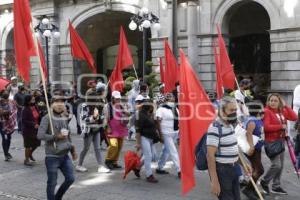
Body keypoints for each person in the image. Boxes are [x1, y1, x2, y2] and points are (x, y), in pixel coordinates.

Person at [207, 96, 251, 200]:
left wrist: (243, 164)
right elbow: (210, 156)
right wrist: (214, 181)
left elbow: (233, 149)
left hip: (234, 168)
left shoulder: (231, 125)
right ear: (222, 110)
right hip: (222, 170)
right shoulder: (215, 127)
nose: (234, 112)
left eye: (235, 110)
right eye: (231, 110)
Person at [37, 93, 77, 200]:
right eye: (57, 102)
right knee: (52, 183)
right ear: (52, 104)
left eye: (62, 102)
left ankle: (57, 197)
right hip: (52, 156)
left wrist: (72, 150)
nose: (60, 104)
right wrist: (55, 137)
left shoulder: (63, 117)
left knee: (70, 179)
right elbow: (40, 135)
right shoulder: (47, 118)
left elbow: (68, 134)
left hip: (65, 155)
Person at [260, 93, 297, 195]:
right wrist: (281, 126)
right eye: (271, 100)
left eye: (275, 100)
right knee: (276, 165)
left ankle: (276, 186)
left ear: (279, 102)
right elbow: (266, 127)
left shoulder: (282, 111)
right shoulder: (267, 112)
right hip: (271, 142)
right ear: (268, 101)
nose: (272, 102)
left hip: (280, 141)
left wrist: (285, 106)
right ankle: (264, 181)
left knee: (281, 166)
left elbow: (294, 117)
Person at [76, 88, 110, 173]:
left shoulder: (97, 105)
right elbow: (84, 119)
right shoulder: (84, 106)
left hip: (97, 129)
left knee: (97, 148)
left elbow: (100, 116)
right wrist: (94, 117)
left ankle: (101, 166)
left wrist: (102, 118)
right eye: (94, 97)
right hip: (88, 130)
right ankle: (79, 165)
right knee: (86, 148)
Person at [242, 102, 265, 199]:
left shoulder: (256, 119)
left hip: (257, 148)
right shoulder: (252, 121)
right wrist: (251, 147)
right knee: (259, 170)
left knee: (255, 169)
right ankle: (248, 189)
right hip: (253, 148)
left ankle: (252, 189)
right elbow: (248, 134)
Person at [155, 93, 181, 178]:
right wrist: (160, 134)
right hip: (166, 133)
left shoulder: (175, 108)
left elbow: (179, 121)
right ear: (166, 99)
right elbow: (157, 121)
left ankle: (159, 167)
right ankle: (179, 170)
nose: (172, 98)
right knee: (173, 151)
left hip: (175, 132)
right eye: (170, 97)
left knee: (166, 151)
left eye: (173, 97)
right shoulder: (161, 109)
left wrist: (179, 134)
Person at [136, 98, 160, 183]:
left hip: (151, 138)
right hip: (144, 138)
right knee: (148, 155)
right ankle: (149, 175)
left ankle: (137, 167)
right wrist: (138, 143)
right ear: (148, 106)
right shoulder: (140, 115)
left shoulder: (149, 114)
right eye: (152, 105)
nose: (153, 106)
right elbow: (138, 130)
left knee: (152, 156)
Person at [104, 91, 129, 170]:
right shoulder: (107, 106)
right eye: (117, 99)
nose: (118, 100)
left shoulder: (121, 106)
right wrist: (107, 127)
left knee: (119, 146)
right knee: (114, 145)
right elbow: (105, 118)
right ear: (113, 98)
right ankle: (108, 160)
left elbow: (127, 114)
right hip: (111, 129)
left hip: (121, 128)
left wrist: (127, 112)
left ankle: (114, 162)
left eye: (119, 98)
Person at [21, 94, 41, 166]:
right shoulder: (25, 109)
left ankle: (30, 154)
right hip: (28, 130)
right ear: (28, 101)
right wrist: (33, 124)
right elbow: (24, 120)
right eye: (32, 99)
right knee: (28, 145)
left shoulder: (35, 107)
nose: (34, 100)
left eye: (34, 99)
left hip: (36, 129)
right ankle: (26, 160)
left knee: (37, 143)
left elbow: (38, 116)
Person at [0, 90, 17, 161]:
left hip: (10, 122)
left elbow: (14, 109)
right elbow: (1, 113)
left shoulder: (10, 101)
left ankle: (7, 152)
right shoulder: (0, 102)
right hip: (2, 123)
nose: (6, 93)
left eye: (6, 92)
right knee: (5, 138)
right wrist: (8, 112)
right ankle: (6, 154)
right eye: (4, 92)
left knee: (9, 138)